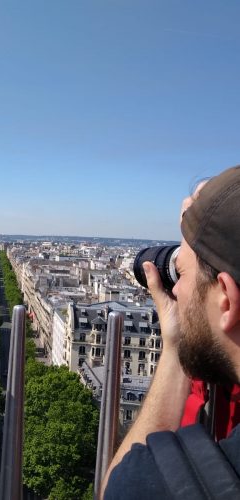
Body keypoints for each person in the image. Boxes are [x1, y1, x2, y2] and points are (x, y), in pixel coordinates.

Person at [101, 166, 240, 499]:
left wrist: (179, 343)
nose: (176, 289)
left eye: (181, 272)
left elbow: (123, 484)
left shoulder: (150, 484)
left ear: (226, 299)